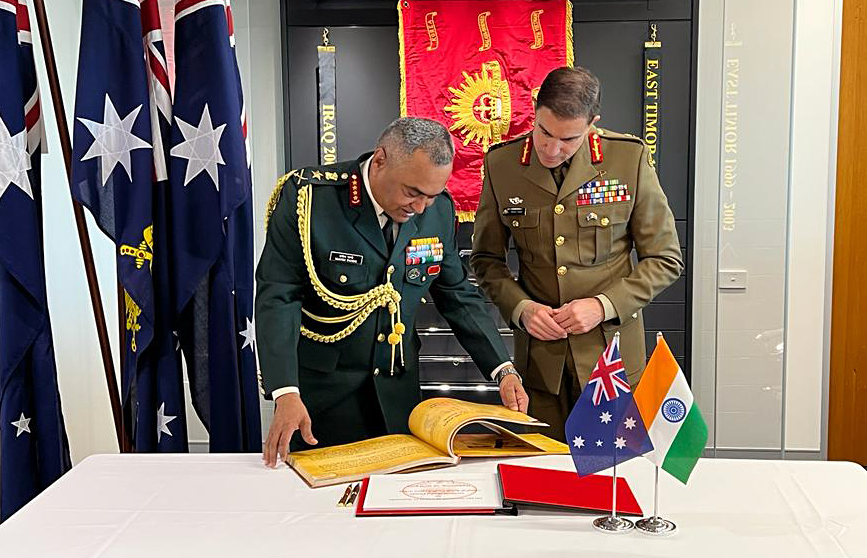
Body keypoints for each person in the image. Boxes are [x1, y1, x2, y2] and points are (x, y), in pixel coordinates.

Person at [256, 117, 527, 466]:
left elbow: (457, 295)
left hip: (397, 394)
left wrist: (502, 369)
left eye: (430, 196)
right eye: (412, 192)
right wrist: (285, 392)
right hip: (321, 397)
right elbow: (279, 295)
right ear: (381, 160)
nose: (419, 208)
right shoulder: (310, 199)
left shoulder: (437, 210)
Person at [470, 66, 683, 441]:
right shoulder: (502, 164)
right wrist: (521, 309)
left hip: (610, 358)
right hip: (540, 362)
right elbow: (486, 261)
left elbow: (665, 259)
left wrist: (603, 305)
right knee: (542, 480)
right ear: (534, 113)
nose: (552, 149)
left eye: (568, 139)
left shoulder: (626, 158)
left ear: (592, 125)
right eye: (544, 132)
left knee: (611, 478)